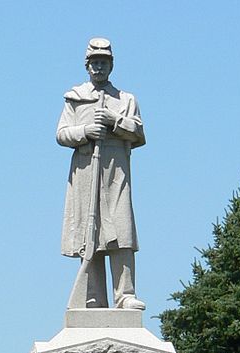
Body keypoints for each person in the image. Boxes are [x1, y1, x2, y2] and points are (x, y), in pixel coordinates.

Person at [57, 38, 146, 310]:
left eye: (103, 62)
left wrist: (114, 121)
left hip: (115, 172)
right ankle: (93, 297)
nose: (99, 66)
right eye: (94, 62)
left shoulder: (126, 100)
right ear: (87, 66)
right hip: (85, 172)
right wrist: (85, 132)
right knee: (90, 234)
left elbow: (139, 133)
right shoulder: (75, 97)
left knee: (121, 230)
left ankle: (125, 295)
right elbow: (61, 134)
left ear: (111, 65)